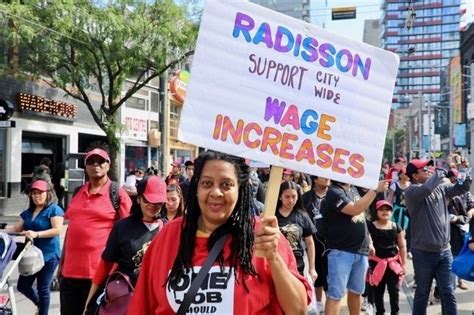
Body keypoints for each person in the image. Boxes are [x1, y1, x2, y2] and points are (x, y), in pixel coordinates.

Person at [127, 151, 312, 314]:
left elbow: (297, 309)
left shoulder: (263, 234)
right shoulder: (169, 236)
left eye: (226, 184)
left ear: (240, 189)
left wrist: (274, 259)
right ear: (197, 189)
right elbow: (142, 306)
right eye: (207, 183)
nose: (216, 192)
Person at [59, 147, 132, 315]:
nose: (95, 165)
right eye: (91, 162)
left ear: (108, 165)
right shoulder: (78, 192)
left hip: (99, 275)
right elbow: (71, 230)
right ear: (85, 166)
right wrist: (62, 263)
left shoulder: (117, 194)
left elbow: (127, 233)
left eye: (100, 161)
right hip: (70, 274)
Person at [83, 176, 167, 314]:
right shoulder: (122, 227)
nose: (152, 205)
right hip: (126, 298)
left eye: (158, 202)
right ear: (139, 199)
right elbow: (105, 266)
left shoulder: (169, 229)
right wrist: (89, 302)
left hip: (156, 299)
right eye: (147, 200)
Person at [404, 159, 471, 315]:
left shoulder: (441, 189)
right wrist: (442, 169)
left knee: (448, 292)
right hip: (423, 253)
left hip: (444, 251)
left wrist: (462, 170)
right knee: (422, 293)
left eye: (428, 168)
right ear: (414, 175)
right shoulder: (411, 192)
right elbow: (427, 188)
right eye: (424, 169)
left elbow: (463, 188)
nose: (428, 170)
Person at [320, 179, 388, 315]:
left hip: (360, 250)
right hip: (341, 251)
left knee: (356, 292)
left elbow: (361, 217)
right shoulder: (334, 192)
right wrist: (374, 190)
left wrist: (369, 241)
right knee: (335, 295)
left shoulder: (353, 189)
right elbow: (355, 209)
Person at [1, 179, 64, 315]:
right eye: (34, 193)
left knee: (43, 287)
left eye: (40, 193)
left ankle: (43, 312)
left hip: (49, 255)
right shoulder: (29, 212)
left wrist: (37, 234)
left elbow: (57, 230)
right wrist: (2, 230)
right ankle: (40, 305)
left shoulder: (54, 210)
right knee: (23, 286)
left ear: (48, 193)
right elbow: (17, 228)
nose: (37, 196)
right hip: (30, 255)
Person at [367, 200, 407, 315]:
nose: (385, 212)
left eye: (387, 209)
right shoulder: (370, 226)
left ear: (391, 212)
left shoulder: (396, 226)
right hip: (376, 264)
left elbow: (402, 246)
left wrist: (403, 264)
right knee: (378, 291)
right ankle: (380, 312)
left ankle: (395, 312)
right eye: (381, 209)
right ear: (376, 212)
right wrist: (370, 245)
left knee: (394, 290)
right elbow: (367, 239)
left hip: (393, 265)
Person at [276, 181, 317, 279]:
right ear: (280, 196)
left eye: (294, 196)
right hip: (276, 261)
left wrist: (312, 268)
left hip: (296, 264)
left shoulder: (302, 216)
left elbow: (310, 243)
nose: (291, 200)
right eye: (287, 197)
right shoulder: (272, 214)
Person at [302, 175, 330, 313]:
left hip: (332, 241)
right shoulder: (306, 197)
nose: (327, 179)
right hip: (313, 240)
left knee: (330, 274)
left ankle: (331, 302)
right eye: (323, 177)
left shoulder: (334, 195)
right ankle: (318, 303)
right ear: (315, 180)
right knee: (317, 271)